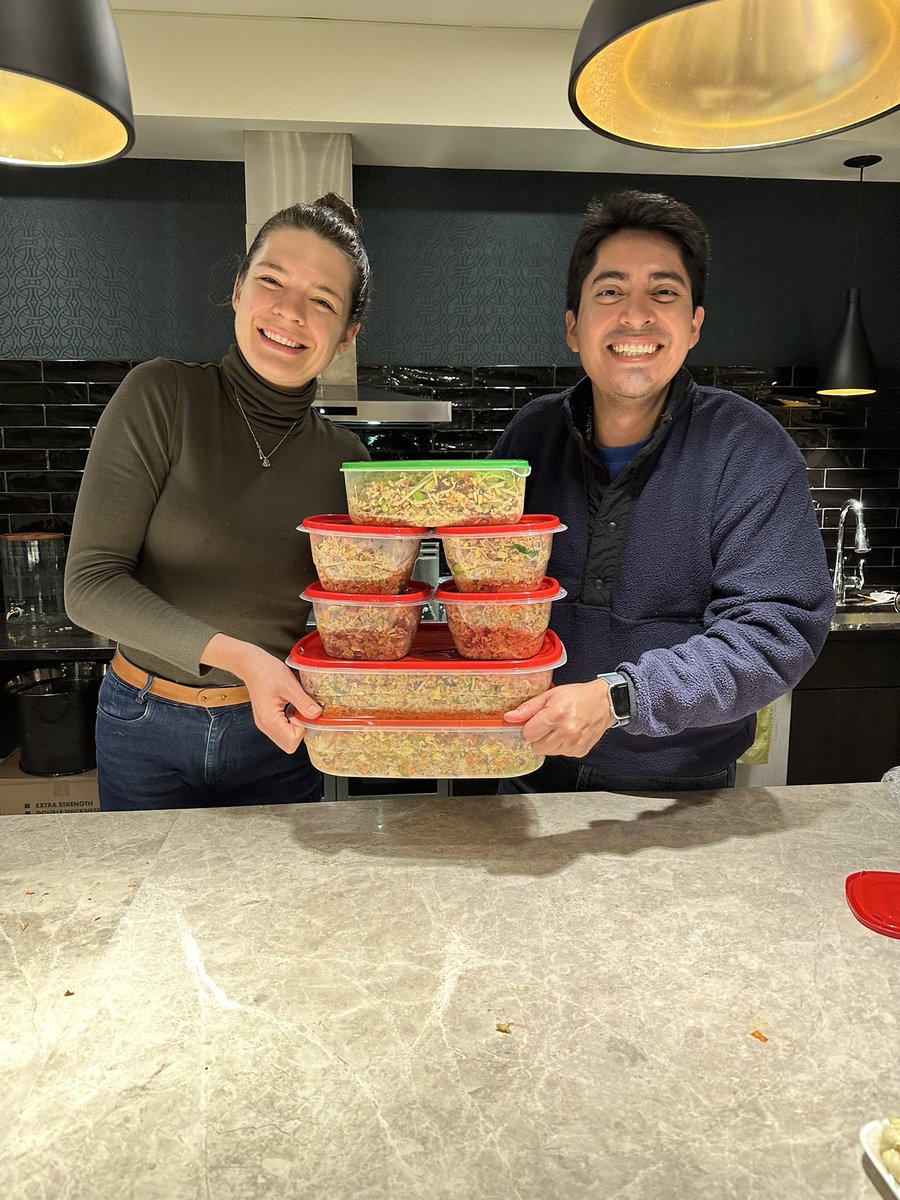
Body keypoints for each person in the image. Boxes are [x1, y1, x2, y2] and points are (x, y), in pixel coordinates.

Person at [492, 189, 835, 793]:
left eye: (665, 292)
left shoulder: (749, 448)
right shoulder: (531, 436)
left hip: (682, 791)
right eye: (610, 291)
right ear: (574, 327)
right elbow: (488, 588)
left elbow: (777, 629)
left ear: (694, 325)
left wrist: (619, 697)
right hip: (526, 773)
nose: (636, 315)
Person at [65, 194, 371, 810]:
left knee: (275, 907)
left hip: (275, 732)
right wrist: (245, 660)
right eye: (272, 281)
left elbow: (356, 618)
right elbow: (89, 587)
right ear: (238, 289)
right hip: (143, 725)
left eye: (322, 301)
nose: (289, 312)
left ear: (345, 337)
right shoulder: (161, 396)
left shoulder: (348, 461)